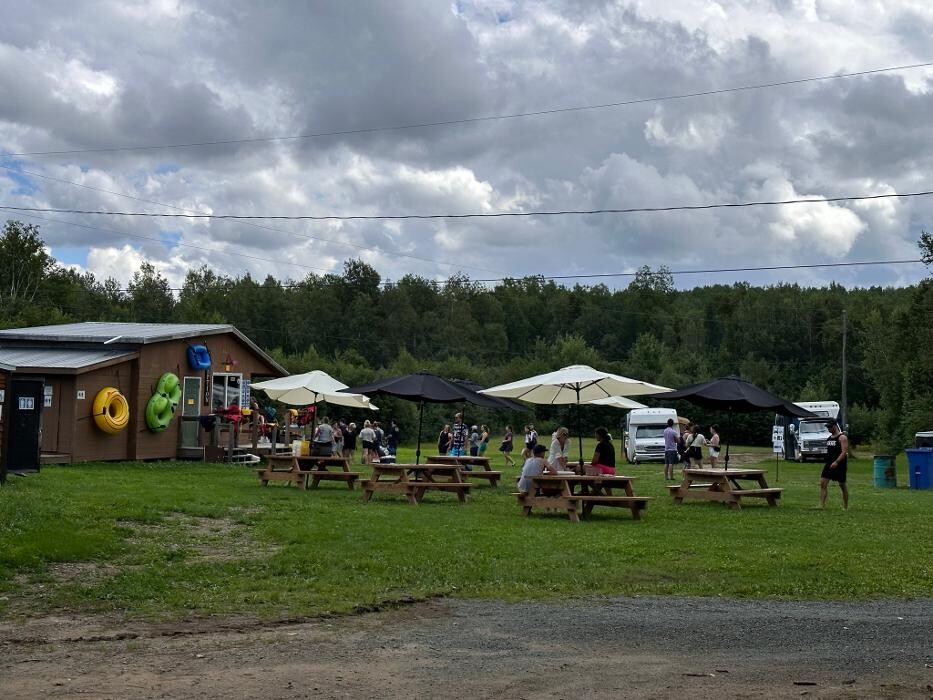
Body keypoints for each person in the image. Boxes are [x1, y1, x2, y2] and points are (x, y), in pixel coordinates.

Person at [820, 419, 849, 509]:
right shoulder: (829, 438)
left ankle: (845, 507)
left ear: (835, 426)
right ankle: (822, 505)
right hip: (829, 464)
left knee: (842, 485)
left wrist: (837, 462)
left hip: (840, 465)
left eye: (830, 427)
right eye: (827, 427)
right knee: (823, 483)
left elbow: (844, 452)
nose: (828, 428)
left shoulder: (842, 437)